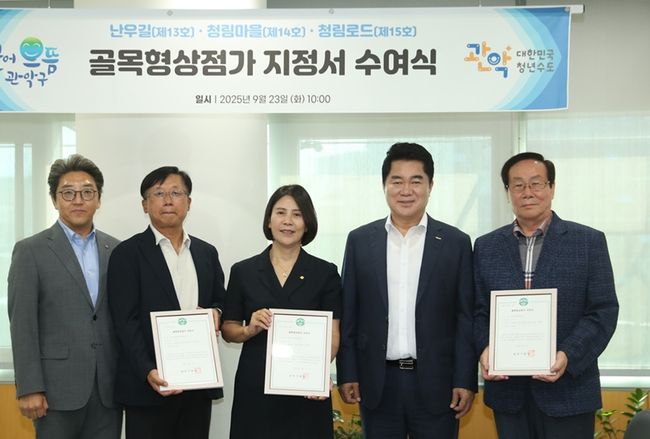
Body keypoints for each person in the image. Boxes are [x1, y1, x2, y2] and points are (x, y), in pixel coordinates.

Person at [473, 152, 619, 439]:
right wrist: (485, 349)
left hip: (570, 392)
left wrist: (567, 355)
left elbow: (603, 311)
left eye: (536, 183)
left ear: (551, 187)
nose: (527, 192)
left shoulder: (588, 242)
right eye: (518, 185)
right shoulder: (486, 246)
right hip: (508, 395)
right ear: (508, 192)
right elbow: (478, 310)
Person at [336, 142, 477, 439]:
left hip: (437, 384)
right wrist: (347, 371)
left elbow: (466, 317)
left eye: (416, 181)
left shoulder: (456, 243)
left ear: (430, 186)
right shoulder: (360, 241)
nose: (406, 190)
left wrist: (465, 378)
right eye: (397, 181)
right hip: (377, 383)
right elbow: (349, 311)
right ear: (384, 185)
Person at [7, 154, 122, 439]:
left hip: (108, 389)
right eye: (68, 193)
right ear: (54, 199)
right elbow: (22, 324)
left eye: (87, 192)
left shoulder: (117, 250)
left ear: (99, 199)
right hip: (54, 392)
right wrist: (30, 387)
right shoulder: (31, 251)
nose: (78, 200)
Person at [107, 166, 225, 439]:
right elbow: (124, 321)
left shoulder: (206, 253)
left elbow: (220, 300)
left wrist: (217, 312)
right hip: (148, 387)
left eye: (176, 193)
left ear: (189, 202)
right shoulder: (127, 254)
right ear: (145, 204)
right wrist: (148, 370)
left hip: (197, 385)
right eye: (159, 194)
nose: (168, 200)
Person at [221, 184, 342, 439]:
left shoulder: (325, 273)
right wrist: (249, 329)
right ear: (269, 220)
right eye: (280, 213)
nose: (288, 221)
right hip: (256, 387)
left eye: (297, 214)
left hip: (306, 388)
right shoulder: (243, 271)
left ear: (307, 224)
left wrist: (318, 372)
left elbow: (333, 333)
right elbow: (228, 329)